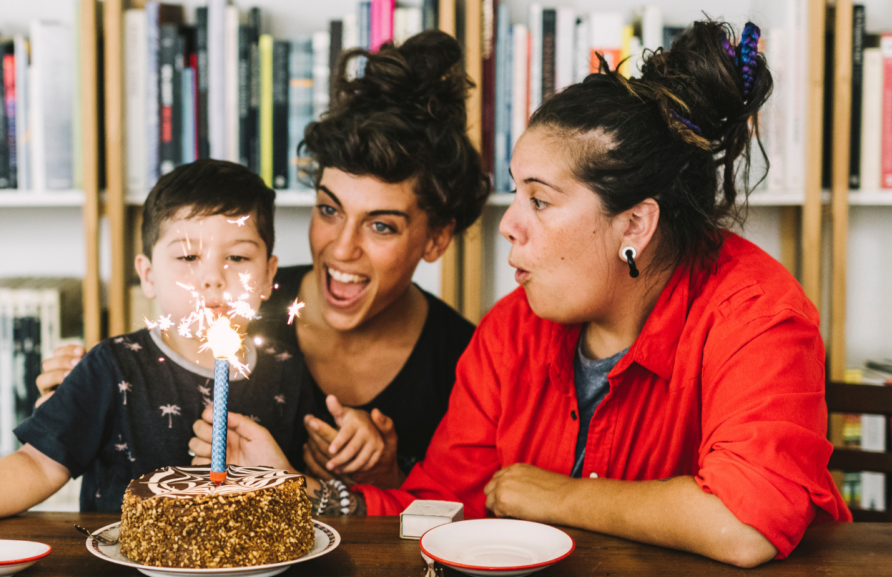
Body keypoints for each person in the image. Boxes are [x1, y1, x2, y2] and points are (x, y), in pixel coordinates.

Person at [191, 21, 851, 567]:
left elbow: (745, 523)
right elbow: (442, 504)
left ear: (636, 223)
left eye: (539, 199)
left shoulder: (758, 313)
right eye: (516, 192)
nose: (508, 223)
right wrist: (315, 496)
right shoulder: (510, 329)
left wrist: (551, 494)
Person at [38, 30, 490, 491]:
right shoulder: (236, 298)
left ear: (436, 238)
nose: (341, 248)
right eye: (329, 210)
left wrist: (386, 479)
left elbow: (448, 521)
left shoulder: (464, 364)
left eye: (381, 226)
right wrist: (75, 399)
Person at [0, 160, 312, 533]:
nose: (213, 278)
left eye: (237, 259)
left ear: (268, 276)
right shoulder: (113, 366)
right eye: (187, 258)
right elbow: (38, 463)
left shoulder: (288, 369)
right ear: (147, 275)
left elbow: (307, 487)